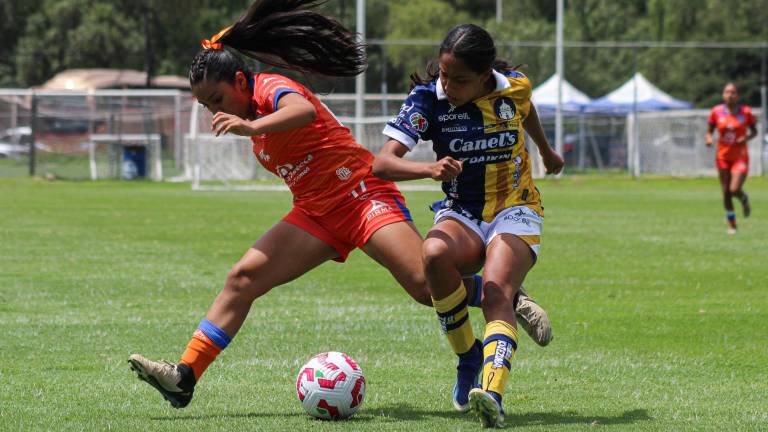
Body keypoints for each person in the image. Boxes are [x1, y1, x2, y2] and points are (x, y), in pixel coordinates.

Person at [127, 1, 551, 410]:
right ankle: (185, 377)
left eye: (217, 100)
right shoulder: (250, 116)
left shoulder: (271, 89)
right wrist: (249, 125)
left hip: (363, 196)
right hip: (315, 213)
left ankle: (502, 297)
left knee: (426, 288)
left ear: (240, 81)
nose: (214, 112)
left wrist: (250, 124)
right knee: (243, 278)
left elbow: (303, 112)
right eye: (206, 106)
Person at [373, 24, 564, 428]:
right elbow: (382, 163)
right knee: (434, 255)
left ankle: (492, 395)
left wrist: (545, 151)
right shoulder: (427, 100)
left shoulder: (513, 87)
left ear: (484, 76)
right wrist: (428, 167)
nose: (448, 85)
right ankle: (467, 357)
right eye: (444, 75)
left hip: (516, 207)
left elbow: (525, 109)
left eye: (459, 80)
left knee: (497, 291)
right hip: (463, 209)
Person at [706, 82, 757, 234]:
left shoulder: (746, 112)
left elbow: (755, 132)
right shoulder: (716, 111)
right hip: (722, 157)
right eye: (727, 92)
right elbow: (709, 131)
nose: (730, 95)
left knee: (734, 189)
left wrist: (746, 138)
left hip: (740, 157)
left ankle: (743, 198)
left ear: (737, 95)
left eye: (733, 92)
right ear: (723, 95)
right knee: (726, 192)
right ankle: (732, 225)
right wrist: (709, 139)